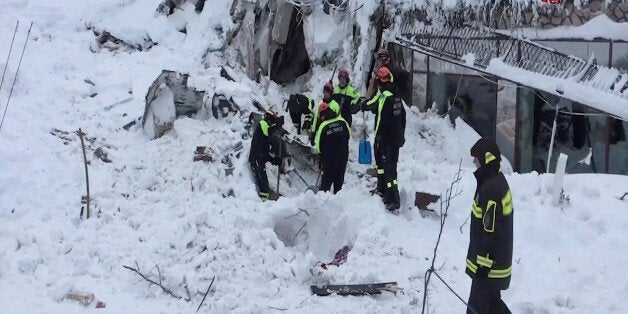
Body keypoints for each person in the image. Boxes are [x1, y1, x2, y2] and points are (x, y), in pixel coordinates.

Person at [466, 138, 513, 314]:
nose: (474, 162)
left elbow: (491, 230)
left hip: (488, 266)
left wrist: (484, 264)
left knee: (475, 308)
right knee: (493, 305)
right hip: (494, 264)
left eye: (476, 158)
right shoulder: (494, 182)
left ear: (486, 159)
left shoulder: (491, 189)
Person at [362, 67, 406, 211]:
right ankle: (382, 189)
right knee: (382, 167)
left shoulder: (385, 97)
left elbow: (381, 118)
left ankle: (394, 198)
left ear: (380, 81)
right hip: (394, 139)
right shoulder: (396, 96)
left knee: (389, 169)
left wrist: (379, 137)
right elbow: (403, 118)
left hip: (387, 140)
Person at [314, 102, 350, 194]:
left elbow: (318, 146)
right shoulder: (342, 121)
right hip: (342, 158)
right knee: (338, 184)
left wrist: (321, 159)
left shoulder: (323, 126)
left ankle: (323, 203)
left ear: (322, 115)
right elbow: (348, 136)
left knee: (325, 185)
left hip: (329, 161)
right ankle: (338, 201)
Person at [248, 109, 284, 201]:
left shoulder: (265, 137)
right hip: (256, 157)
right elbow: (268, 131)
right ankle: (264, 202)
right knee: (262, 181)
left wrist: (275, 160)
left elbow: (266, 154)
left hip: (260, 157)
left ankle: (265, 200)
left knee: (264, 180)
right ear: (268, 117)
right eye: (272, 120)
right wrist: (277, 126)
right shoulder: (263, 123)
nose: (272, 123)